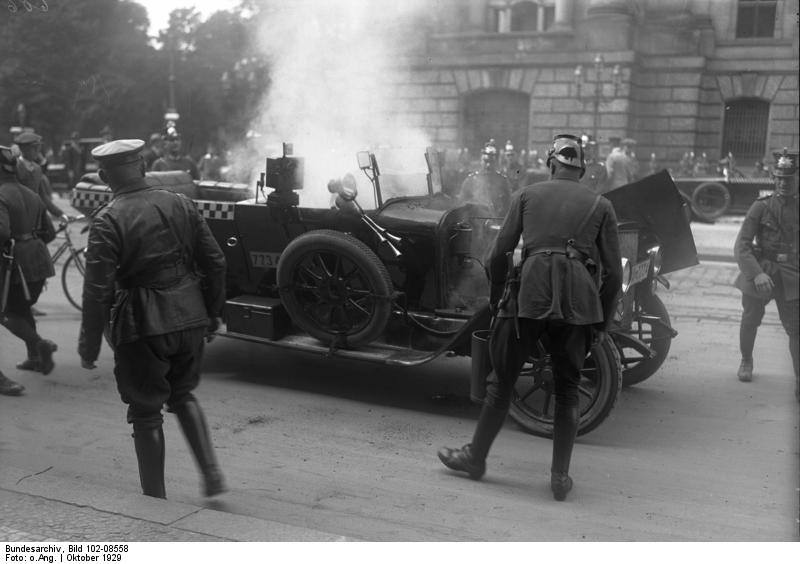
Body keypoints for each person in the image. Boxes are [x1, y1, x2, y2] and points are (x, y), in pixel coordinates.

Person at [437, 134, 622, 501]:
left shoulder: (526, 195)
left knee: (502, 382)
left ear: (551, 164)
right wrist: (599, 324)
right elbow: (614, 275)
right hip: (577, 304)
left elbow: (497, 255)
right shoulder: (601, 205)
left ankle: (475, 459)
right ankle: (559, 478)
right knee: (568, 391)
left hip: (528, 298)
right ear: (582, 170)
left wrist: (498, 298)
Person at [78, 139, 228, 498]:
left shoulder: (107, 220)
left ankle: (155, 501)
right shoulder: (181, 203)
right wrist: (211, 314)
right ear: (144, 167)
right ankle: (211, 475)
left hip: (142, 325)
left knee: (146, 412)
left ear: (102, 176)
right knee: (183, 395)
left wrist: (88, 345)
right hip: (190, 315)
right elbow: (216, 262)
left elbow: (97, 291)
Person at [733, 148, 798, 401]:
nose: (783, 183)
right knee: (750, 318)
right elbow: (742, 246)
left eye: (789, 178)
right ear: (774, 178)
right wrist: (757, 274)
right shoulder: (761, 207)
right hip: (764, 270)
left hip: (792, 274)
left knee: (796, 329)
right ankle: (746, 360)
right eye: (779, 178)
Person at [0, 144, 58, 384]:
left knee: (7, 314)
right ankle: (35, 356)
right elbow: (50, 232)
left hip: (16, 265)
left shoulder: (0, 195)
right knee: (22, 307)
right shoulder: (32, 194)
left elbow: (2, 233)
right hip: (39, 261)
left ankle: (39, 344)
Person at [13, 131, 66, 219]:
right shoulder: (14, 167)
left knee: (50, 231)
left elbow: (43, 196)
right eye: (34, 148)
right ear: (24, 149)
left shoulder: (37, 168)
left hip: (35, 215)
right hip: (18, 217)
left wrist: (60, 214)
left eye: (39, 148)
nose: (38, 151)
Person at [455, 139, 512, 216]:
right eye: (486, 161)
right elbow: (461, 205)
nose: (488, 165)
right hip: (476, 223)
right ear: (481, 161)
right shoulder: (471, 180)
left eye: (491, 162)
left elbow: (509, 207)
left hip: (497, 222)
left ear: (495, 162)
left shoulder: (502, 181)